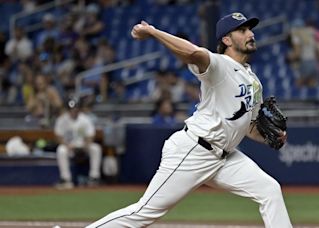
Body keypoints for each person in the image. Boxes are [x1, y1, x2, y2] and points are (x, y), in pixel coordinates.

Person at [87, 12, 292, 227]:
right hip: (194, 150)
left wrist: (270, 137)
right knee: (144, 212)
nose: (250, 34)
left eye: (250, 29)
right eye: (242, 30)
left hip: (225, 158)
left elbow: (249, 127)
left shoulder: (253, 80)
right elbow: (192, 53)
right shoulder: (218, 65)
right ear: (226, 40)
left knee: (270, 190)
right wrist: (154, 32)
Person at [54, 98, 102, 189]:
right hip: (69, 147)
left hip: (83, 146)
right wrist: (67, 146)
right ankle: (66, 179)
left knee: (96, 148)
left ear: (79, 109)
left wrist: (86, 145)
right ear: (68, 110)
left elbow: (90, 135)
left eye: (75, 109)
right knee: (61, 150)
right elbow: (59, 136)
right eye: (71, 109)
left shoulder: (85, 119)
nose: (74, 111)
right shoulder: (62, 120)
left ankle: (94, 177)